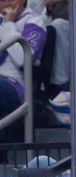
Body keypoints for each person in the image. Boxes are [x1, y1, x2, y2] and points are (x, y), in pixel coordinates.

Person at [0, 0, 46, 141]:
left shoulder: (34, 20)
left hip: (14, 85)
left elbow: (23, 59)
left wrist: (8, 24)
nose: (6, 1)